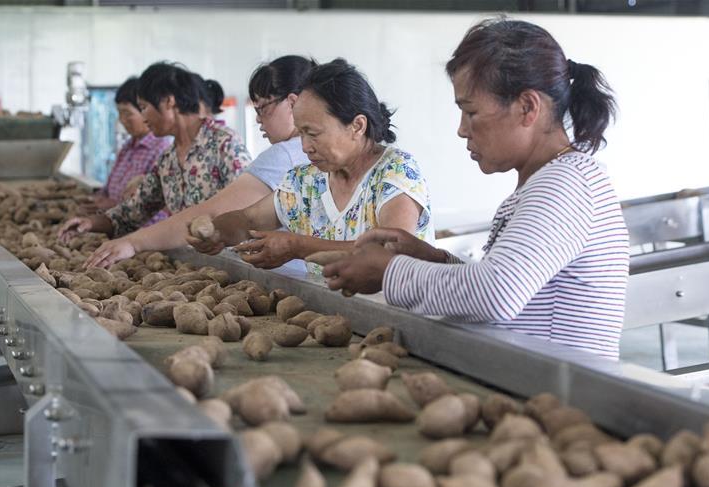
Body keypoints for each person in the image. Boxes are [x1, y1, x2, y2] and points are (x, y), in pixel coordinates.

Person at [323, 18, 629, 359]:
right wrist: (434, 258)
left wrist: (387, 271)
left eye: (471, 112)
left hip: (560, 396)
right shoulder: (550, 180)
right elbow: (504, 281)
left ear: (528, 107)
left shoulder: (565, 185)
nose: (462, 130)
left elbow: (495, 294)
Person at [188, 58, 434, 270]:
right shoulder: (305, 182)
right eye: (301, 133)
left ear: (357, 126)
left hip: (400, 318)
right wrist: (216, 231)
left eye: (313, 133)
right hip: (337, 317)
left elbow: (390, 251)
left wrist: (298, 247)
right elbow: (249, 220)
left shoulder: (396, 172)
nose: (305, 146)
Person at [82, 56, 316, 269]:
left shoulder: (250, 148)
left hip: (269, 275)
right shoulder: (167, 158)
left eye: (262, 108)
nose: (257, 119)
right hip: (217, 266)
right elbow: (247, 217)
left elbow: (221, 211)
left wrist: (134, 242)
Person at [58, 62, 251, 244]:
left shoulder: (225, 143)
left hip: (234, 265)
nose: (143, 117)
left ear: (169, 102)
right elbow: (133, 212)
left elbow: (249, 208)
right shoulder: (168, 160)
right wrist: (90, 223)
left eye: (144, 107)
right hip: (191, 265)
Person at [87, 77, 172, 215]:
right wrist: (97, 200)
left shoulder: (161, 150)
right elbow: (108, 189)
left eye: (127, 113)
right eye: (119, 113)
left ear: (146, 111)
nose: (122, 120)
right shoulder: (128, 147)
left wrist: (113, 205)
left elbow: (156, 208)